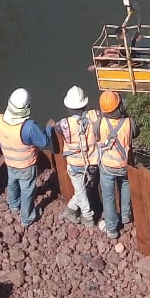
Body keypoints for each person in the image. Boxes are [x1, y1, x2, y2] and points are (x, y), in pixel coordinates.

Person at [0, 88, 50, 227]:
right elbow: (43, 142)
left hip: (10, 162)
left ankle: (13, 204)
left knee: (12, 183)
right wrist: (49, 128)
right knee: (27, 190)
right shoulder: (28, 127)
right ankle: (27, 217)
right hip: (26, 165)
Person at [52, 85, 101, 227]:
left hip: (75, 164)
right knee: (83, 188)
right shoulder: (95, 115)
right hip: (92, 162)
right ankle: (71, 209)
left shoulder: (64, 123)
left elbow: (55, 128)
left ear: (69, 107)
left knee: (80, 190)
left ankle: (88, 217)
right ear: (85, 104)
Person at [96, 90, 139, 239]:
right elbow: (136, 133)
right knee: (125, 185)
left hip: (107, 165)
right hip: (123, 164)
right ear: (119, 105)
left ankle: (112, 229)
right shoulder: (129, 122)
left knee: (108, 197)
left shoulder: (100, 122)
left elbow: (96, 135)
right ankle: (126, 216)